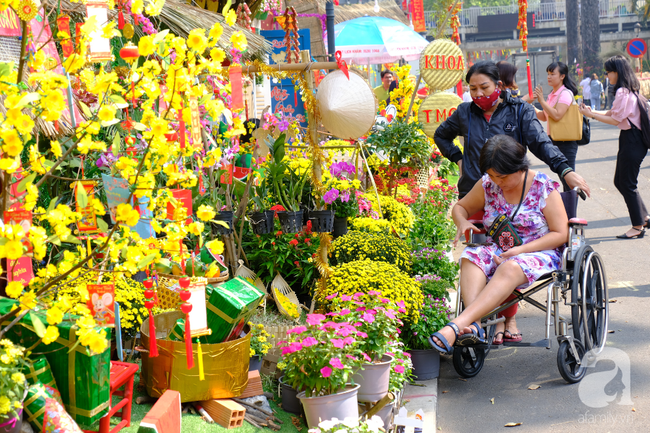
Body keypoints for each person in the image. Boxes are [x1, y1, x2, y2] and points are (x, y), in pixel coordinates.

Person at [429, 135, 569, 353]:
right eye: (492, 175)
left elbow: (561, 233)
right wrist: (463, 222)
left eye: (502, 177)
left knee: (510, 265)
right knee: (470, 256)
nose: (497, 182)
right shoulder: (488, 184)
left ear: (519, 168)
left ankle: (457, 325)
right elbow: (460, 207)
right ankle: (474, 326)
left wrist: (519, 250)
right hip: (498, 248)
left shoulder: (543, 187)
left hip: (539, 250)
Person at [434, 60, 591, 201]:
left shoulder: (520, 110)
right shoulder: (464, 112)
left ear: (499, 85)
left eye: (484, 87)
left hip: (512, 195)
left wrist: (565, 170)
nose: (478, 94)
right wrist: (459, 159)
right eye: (473, 89)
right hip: (473, 195)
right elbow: (441, 135)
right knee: (478, 234)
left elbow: (540, 142)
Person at [579, 55, 650, 239]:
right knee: (621, 182)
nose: (607, 75)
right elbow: (613, 113)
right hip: (632, 140)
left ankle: (637, 226)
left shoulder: (622, 93)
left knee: (626, 183)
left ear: (617, 72)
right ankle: (644, 217)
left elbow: (614, 119)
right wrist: (591, 112)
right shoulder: (630, 91)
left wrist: (592, 115)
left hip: (632, 141)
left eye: (608, 72)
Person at [533, 62, 580, 192]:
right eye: (548, 74)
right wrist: (531, 108)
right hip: (556, 140)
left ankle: (570, 212)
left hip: (567, 142)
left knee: (569, 182)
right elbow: (544, 116)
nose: (549, 77)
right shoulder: (552, 94)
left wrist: (542, 101)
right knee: (564, 179)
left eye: (552, 74)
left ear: (562, 76)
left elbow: (557, 115)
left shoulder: (565, 93)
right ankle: (568, 211)